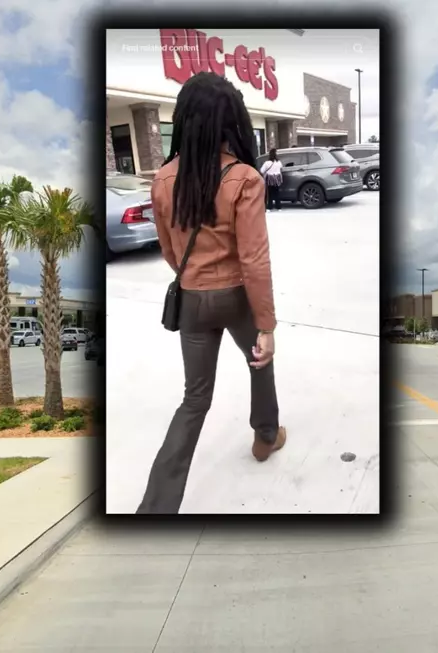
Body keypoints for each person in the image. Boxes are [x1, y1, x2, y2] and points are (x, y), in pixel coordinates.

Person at [137, 72, 286, 515]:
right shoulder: (243, 178)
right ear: (231, 122)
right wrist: (267, 325)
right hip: (238, 296)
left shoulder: (163, 178)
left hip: (192, 301)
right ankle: (265, 436)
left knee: (194, 399)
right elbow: (254, 260)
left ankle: (155, 508)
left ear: (184, 120)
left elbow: (167, 248)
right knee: (260, 358)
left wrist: (196, 277)